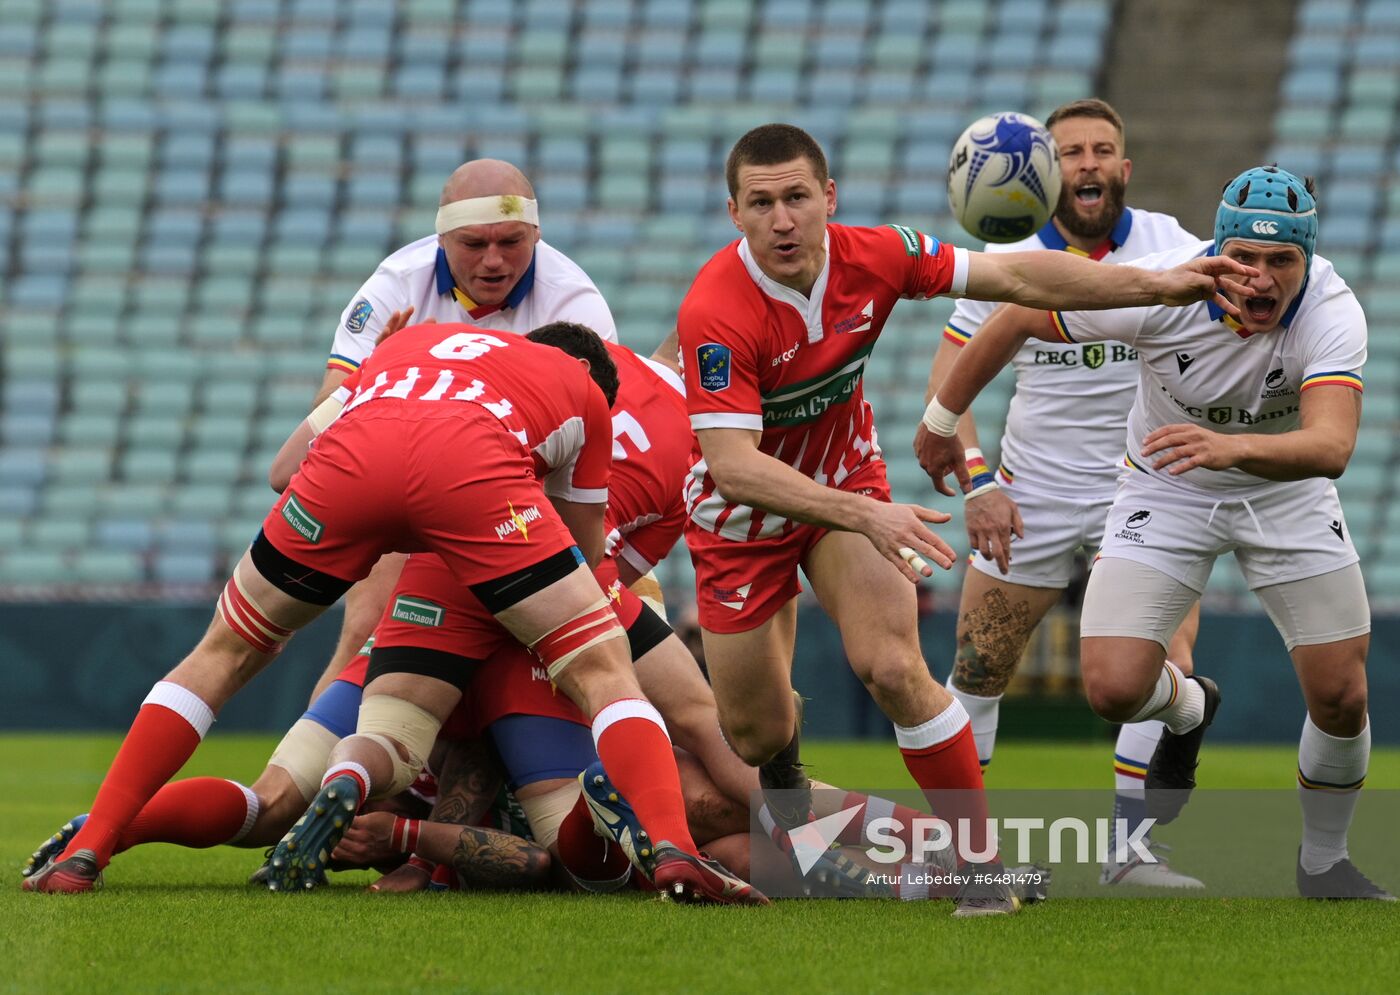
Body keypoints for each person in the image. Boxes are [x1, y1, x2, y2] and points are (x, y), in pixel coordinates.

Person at [674, 122, 1255, 916]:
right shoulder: (716, 308)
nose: (783, 219)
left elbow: (1020, 278)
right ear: (734, 211)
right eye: (762, 202)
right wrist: (867, 515)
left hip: (847, 483)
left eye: (798, 198)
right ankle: (790, 799)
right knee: (754, 732)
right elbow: (736, 467)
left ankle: (979, 874)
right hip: (742, 523)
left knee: (894, 667)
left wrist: (1158, 286)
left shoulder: (875, 254)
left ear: (828, 198)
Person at [25, 321, 761, 906]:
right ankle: (671, 846)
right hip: (488, 539)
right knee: (606, 688)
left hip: (381, 528)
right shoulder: (587, 398)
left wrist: (400, 528)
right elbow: (586, 557)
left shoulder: (411, 343)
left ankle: (98, 835)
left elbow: (285, 470)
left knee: (225, 673)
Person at [918, 165, 1392, 900]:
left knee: (1341, 695)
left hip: (1286, 489)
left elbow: (1330, 446)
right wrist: (943, 422)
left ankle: (1324, 862)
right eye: (1245, 258)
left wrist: (1229, 448)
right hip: (1167, 486)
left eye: (1281, 262)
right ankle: (1191, 705)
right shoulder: (1164, 284)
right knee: (1111, 687)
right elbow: (1014, 313)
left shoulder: (1332, 309)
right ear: (1218, 248)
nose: (1260, 279)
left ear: (1308, 258)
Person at [917, 99, 1205, 888]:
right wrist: (976, 481)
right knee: (977, 668)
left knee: (1157, 663)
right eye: (1070, 150)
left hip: (1143, 487)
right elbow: (952, 382)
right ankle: (962, 858)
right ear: (1047, 168)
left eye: (1101, 149)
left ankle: (1133, 855)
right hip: (1030, 491)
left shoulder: (1168, 242)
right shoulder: (1003, 256)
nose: (1086, 162)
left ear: (1124, 168)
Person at [307, 158, 619, 716]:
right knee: (366, 631)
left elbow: (587, 444)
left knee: (593, 635)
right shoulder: (394, 286)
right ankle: (306, 788)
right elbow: (328, 421)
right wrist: (378, 371)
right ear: (442, 239)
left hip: (511, 496)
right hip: (404, 476)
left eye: (511, 241)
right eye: (474, 243)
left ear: (537, 234)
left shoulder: (575, 304)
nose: (494, 260)